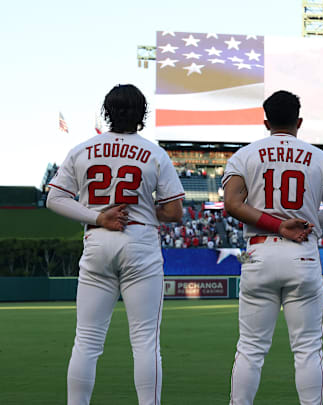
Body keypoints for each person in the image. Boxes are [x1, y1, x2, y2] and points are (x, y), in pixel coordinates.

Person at [46, 84, 185, 405]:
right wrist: (141, 208)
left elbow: (55, 198)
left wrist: (97, 217)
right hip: (139, 240)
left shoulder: (82, 149)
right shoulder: (153, 152)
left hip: (97, 241)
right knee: (145, 341)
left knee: (87, 340)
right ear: (142, 115)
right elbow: (174, 211)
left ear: (107, 112)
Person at [223, 90, 323, 405]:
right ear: (299, 121)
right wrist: (304, 221)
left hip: (259, 251)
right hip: (302, 253)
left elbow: (232, 204)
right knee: (307, 349)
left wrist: (277, 224)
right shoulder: (321, 158)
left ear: (266, 121)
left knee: (250, 347)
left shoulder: (245, 155)